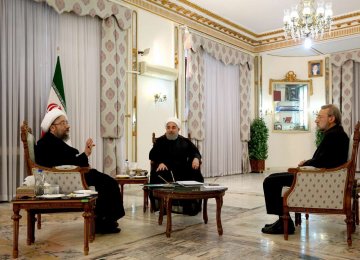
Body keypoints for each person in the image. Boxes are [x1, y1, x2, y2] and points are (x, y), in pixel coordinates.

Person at [262, 104, 349, 235]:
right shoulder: (335, 133)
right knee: (272, 177)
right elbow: (324, 159)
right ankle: (282, 220)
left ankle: (284, 222)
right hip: (320, 176)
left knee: (270, 182)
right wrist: (308, 163)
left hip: (319, 179)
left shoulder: (334, 136)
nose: (316, 120)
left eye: (320, 116)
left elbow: (322, 162)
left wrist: (306, 163)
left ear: (331, 119)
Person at [35, 108, 125, 234]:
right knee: (109, 183)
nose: (68, 126)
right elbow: (60, 164)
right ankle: (103, 222)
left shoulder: (53, 141)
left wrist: (85, 154)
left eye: (67, 122)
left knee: (108, 182)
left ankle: (105, 220)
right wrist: (84, 156)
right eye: (63, 123)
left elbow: (68, 160)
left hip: (74, 174)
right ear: (52, 128)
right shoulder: (45, 144)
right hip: (69, 178)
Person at [149, 117, 204, 215]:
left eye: (173, 127)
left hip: (182, 169)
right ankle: (163, 207)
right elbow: (152, 156)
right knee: (159, 172)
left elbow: (195, 152)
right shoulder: (160, 141)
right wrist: (160, 162)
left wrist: (196, 159)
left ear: (178, 129)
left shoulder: (185, 141)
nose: (170, 130)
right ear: (166, 129)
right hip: (165, 169)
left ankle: (189, 207)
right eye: (168, 127)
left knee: (194, 171)